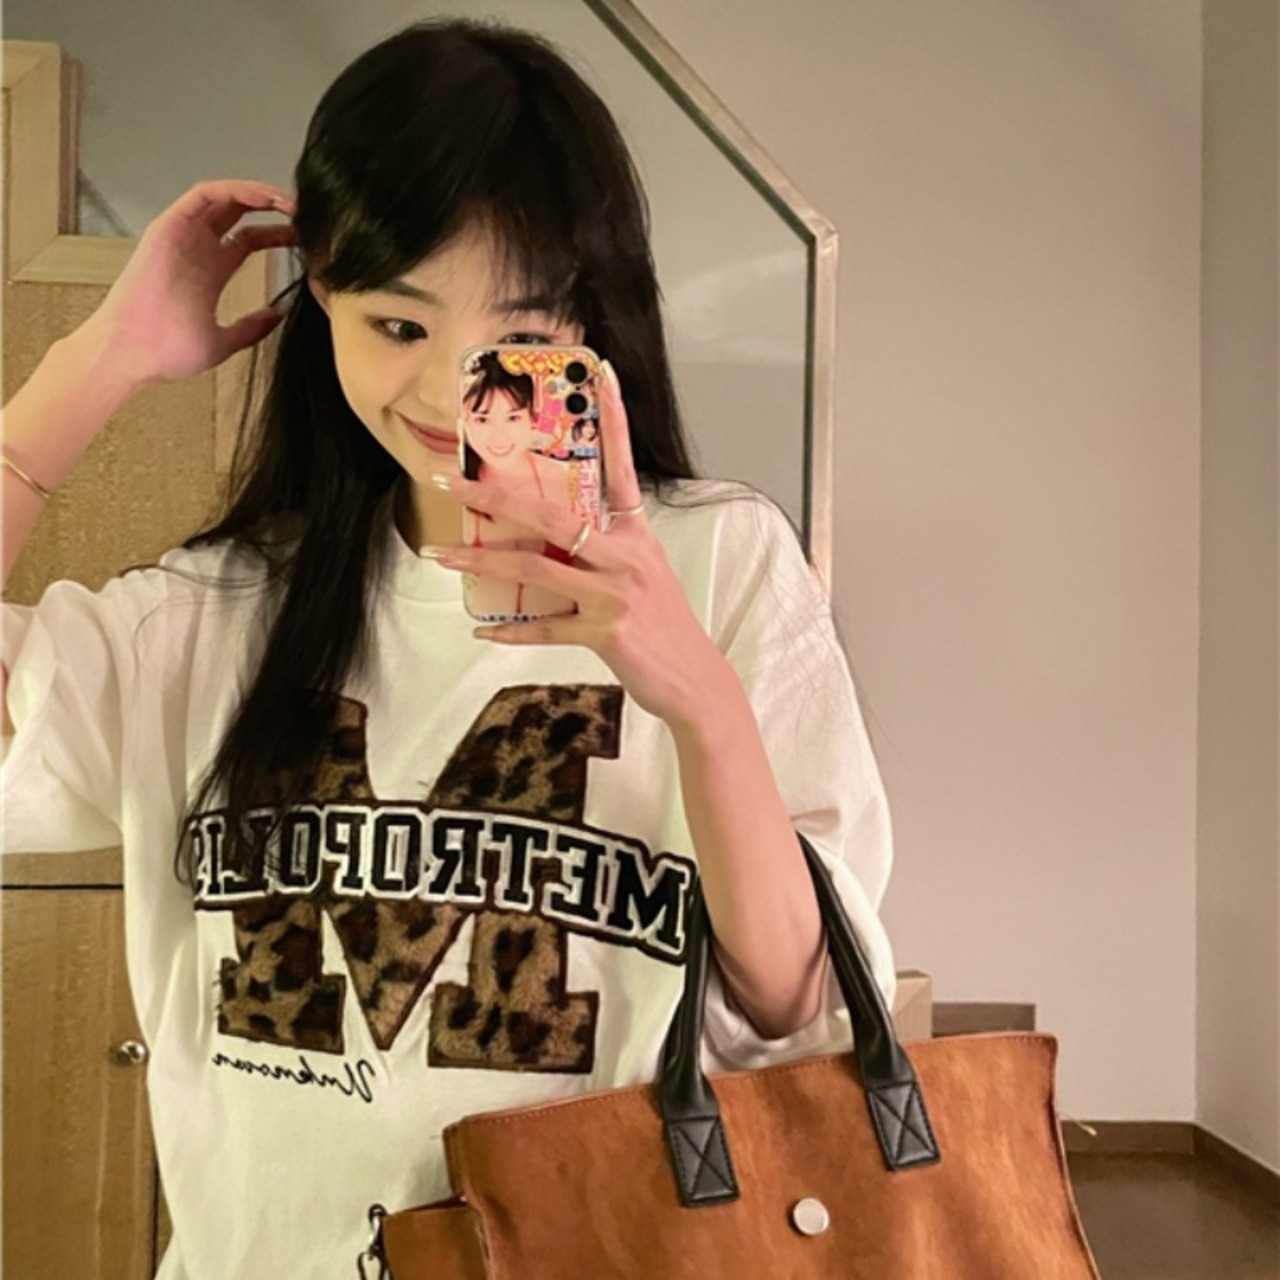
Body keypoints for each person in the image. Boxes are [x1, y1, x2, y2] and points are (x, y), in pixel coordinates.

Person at [0, 18, 897, 1279]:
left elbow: (792, 1006)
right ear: (322, 299)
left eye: (513, 330)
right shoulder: (207, 615)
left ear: (586, 318)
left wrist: (696, 695)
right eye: (398, 325)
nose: (444, 391)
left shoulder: (719, 564)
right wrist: (93, 363)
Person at [459, 349, 577, 621]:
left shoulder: (559, 478)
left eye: (513, 418)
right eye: (482, 419)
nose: (499, 436)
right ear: (463, 423)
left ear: (531, 419)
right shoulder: (460, 482)